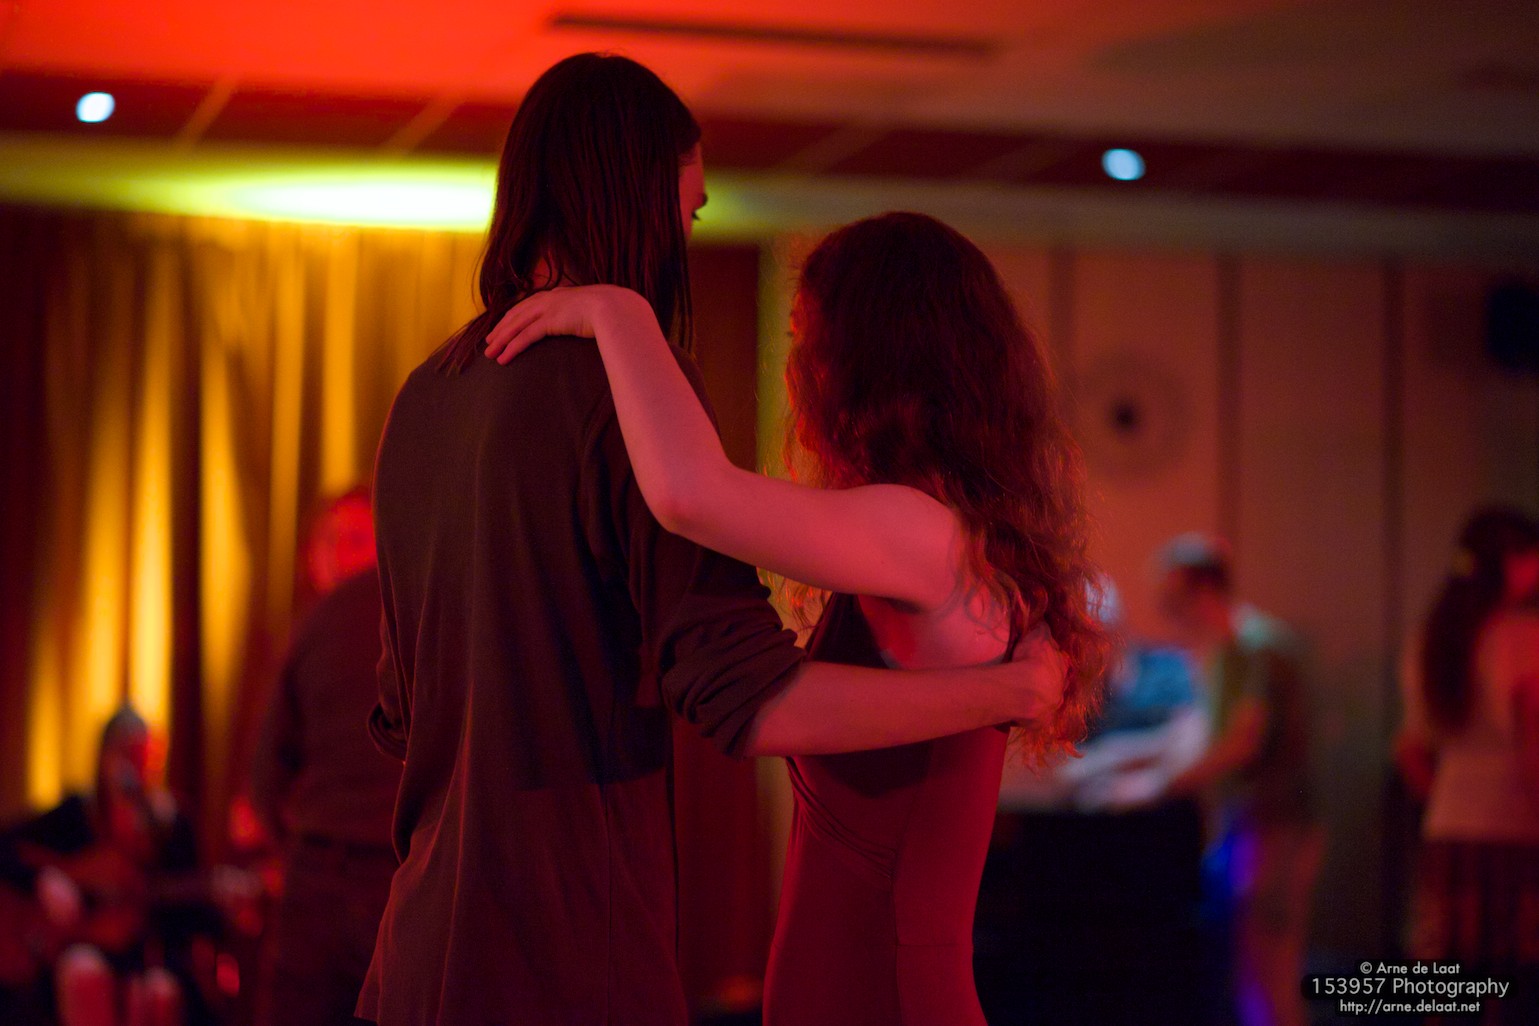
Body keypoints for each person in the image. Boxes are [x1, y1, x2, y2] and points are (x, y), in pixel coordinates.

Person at [359, 55, 1068, 1026]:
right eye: (686, 212)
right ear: (639, 197)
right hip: (569, 953)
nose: (681, 240)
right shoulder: (629, 387)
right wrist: (623, 316)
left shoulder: (426, 396)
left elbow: (399, 712)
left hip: (415, 953)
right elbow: (742, 689)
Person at [487, 210, 1105, 1025]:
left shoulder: (919, 530)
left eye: (802, 336)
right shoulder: (935, 530)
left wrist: (616, 312)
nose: (792, 365)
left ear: (860, 357)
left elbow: (689, 494)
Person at [1154, 533, 1321, 1026]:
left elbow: (1243, 742)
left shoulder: (1257, 647)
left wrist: (1164, 784)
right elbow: (1205, 736)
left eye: (1173, 598)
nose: (1168, 611)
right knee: (1250, 972)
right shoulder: (1228, 652)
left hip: (1277, 824)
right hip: (1250, 822)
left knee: (1269, 970)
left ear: (1202, 589)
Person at [249, 488, 401, 1026]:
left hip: (318, 881)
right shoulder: (435, 618)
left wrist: (289, 845)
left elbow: (266, 780)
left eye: (355, 539)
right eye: (329, 541)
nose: (340, 555)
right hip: (406, 884)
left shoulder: (308, 630)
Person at [1396, 506, 1539, 1026]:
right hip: (1516, 833)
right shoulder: (1523, 638)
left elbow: (1410, 749)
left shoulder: (1431, 640)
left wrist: (1447, 797)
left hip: (1448, 831)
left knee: (1450, 992)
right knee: (1511, 991)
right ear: (1512, 561)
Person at [0, 707, 208, 1026]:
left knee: (160, 992)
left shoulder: (170, 823)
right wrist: (43, 878)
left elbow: (192, 912)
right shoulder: (77, 816)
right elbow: (6, 845)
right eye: (126, 756)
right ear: (105, 758)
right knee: (84, 972)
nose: (136, 771)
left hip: (148, 958)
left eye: (145, 759)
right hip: (72, 952)